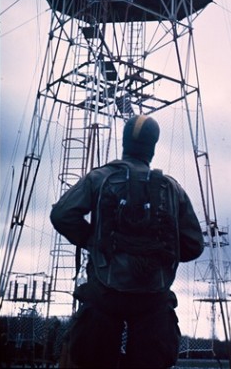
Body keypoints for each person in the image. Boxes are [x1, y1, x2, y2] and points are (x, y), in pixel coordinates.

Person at [50, 115, 204, 369]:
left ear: (124, 142)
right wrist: (160, 255)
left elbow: (61, 215)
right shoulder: (171, 188)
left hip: (104, 293)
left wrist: (93, 241)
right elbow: (194, 245)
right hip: (153, 296)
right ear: (152, 147)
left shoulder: (99, 178)